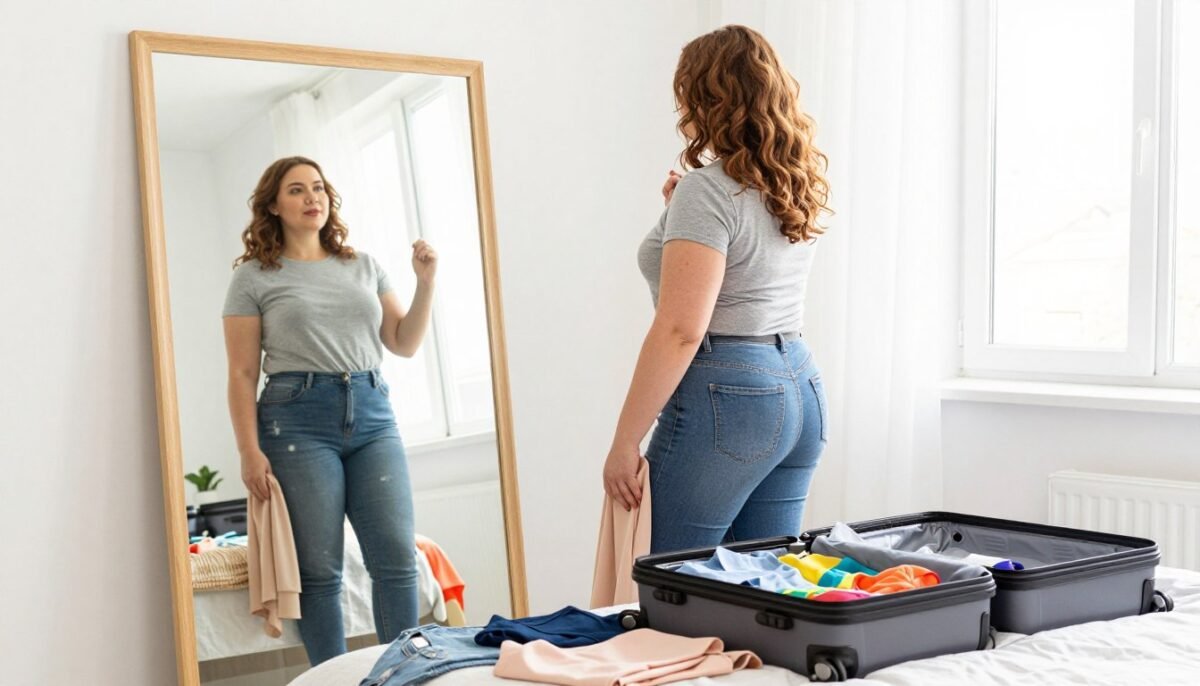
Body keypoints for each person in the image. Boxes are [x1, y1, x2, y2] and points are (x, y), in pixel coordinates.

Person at [603, 25, 832, 554]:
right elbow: (747, 269)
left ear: (708, 98)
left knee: (670, 575)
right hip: (800, 385)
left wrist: (624, 442)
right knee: (765, 578)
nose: (681, 108)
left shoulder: (708, 190)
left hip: (732, 395)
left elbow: (681, 329)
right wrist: (679, 215)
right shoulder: (792, 184)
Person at [222, 156, 437, 665]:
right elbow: (242, 373)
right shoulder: (253, 277)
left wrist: (425, 282)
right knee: (319, 572)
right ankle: (331, 677)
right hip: (296, 421)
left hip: (373, 413)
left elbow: (403, 342)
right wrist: (249, 451)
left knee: (396, 558)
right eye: (296, 190)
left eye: (318, 187)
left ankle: (403, 674)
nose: (311, 197)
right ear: (274, 206)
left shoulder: (363, 265)